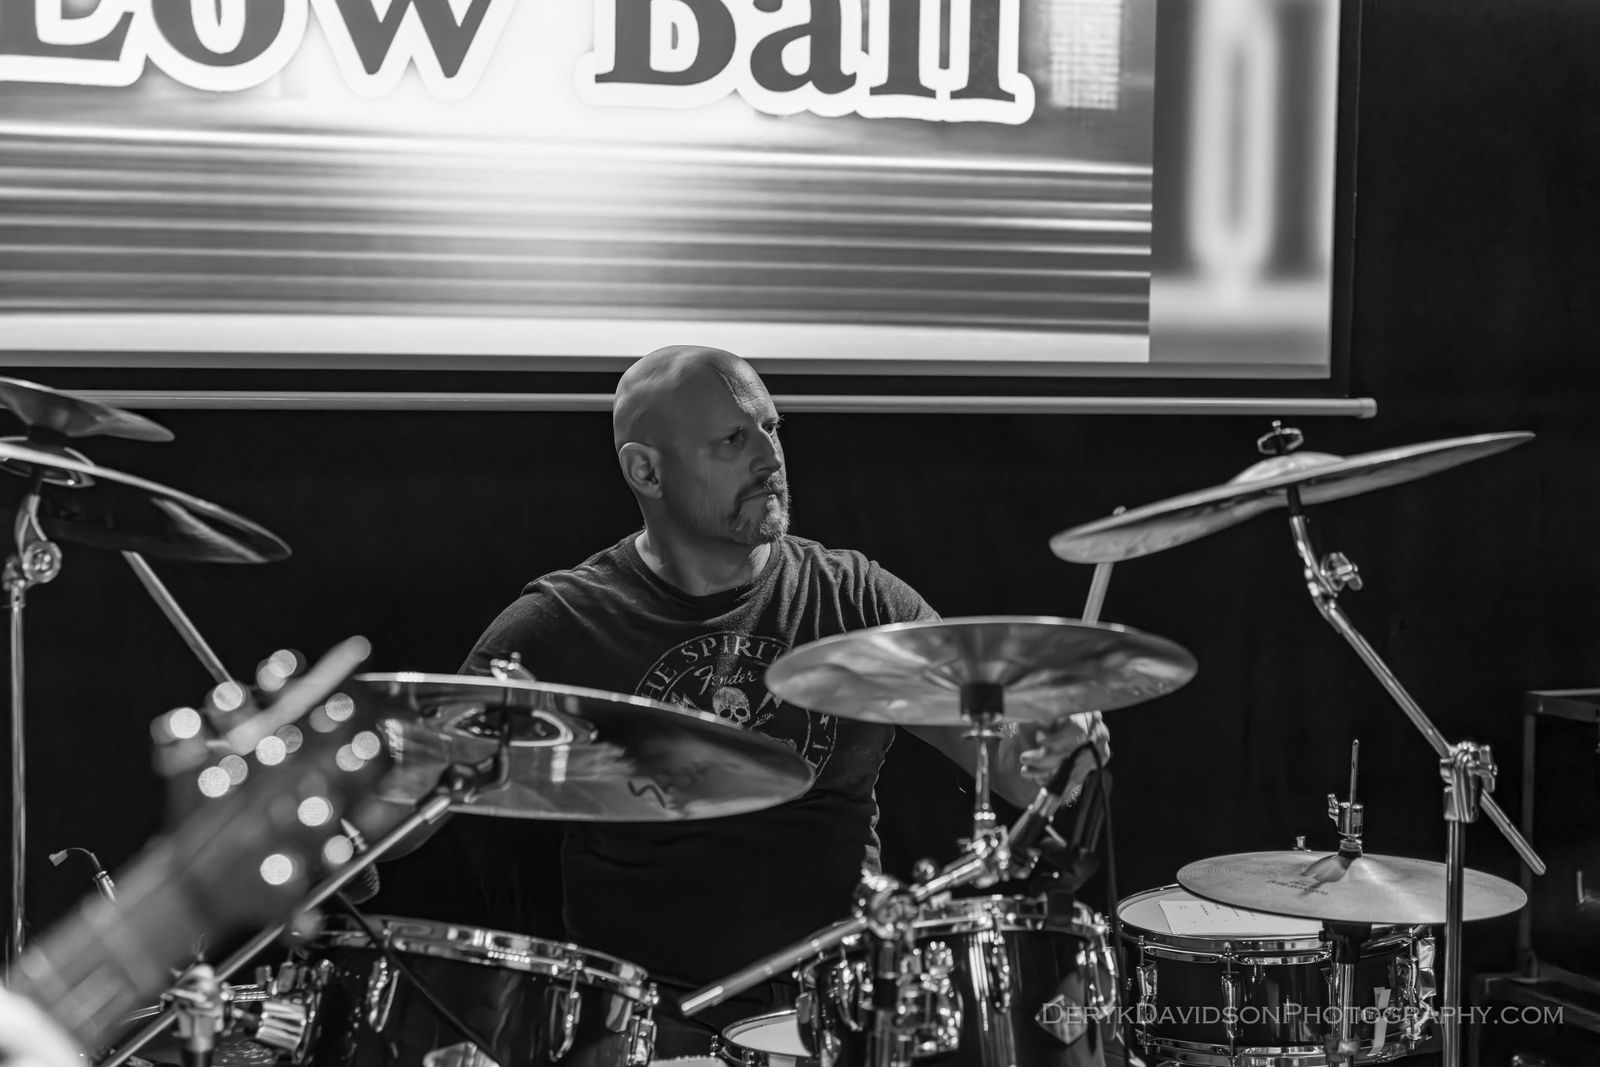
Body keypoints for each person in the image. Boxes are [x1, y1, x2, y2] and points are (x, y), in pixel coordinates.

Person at [447, 345, 1108, 1057]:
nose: (770, 457)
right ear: (646, 471)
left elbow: (1012, 770)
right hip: (642, 1025)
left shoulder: (853, 597)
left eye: (771, 427)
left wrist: (1055, 745)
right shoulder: (564, 623)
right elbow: (425, 779)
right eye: (734, 438)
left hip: (834, 1011)